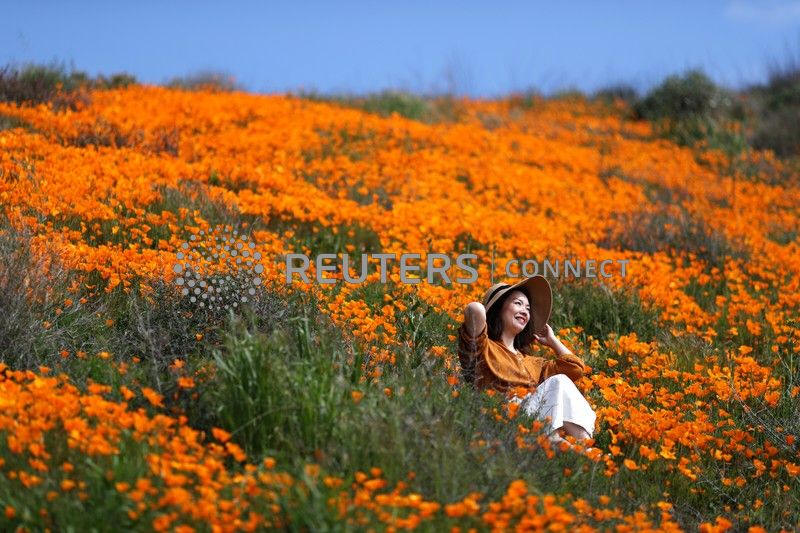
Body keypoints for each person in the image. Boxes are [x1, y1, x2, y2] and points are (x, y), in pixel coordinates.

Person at [457, 275, 596, 450]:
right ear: (499, 308)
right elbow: (474, 309)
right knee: (558, 382)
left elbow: (575, 368)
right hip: (502, 419)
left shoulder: (532, 363)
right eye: (518, 303)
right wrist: (488, 306)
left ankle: (586, 448)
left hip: (533, 419)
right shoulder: (483, 347)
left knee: (561, 381)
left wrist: (553, 341)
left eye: (528, 308)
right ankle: (558, 443)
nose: (524, 311)